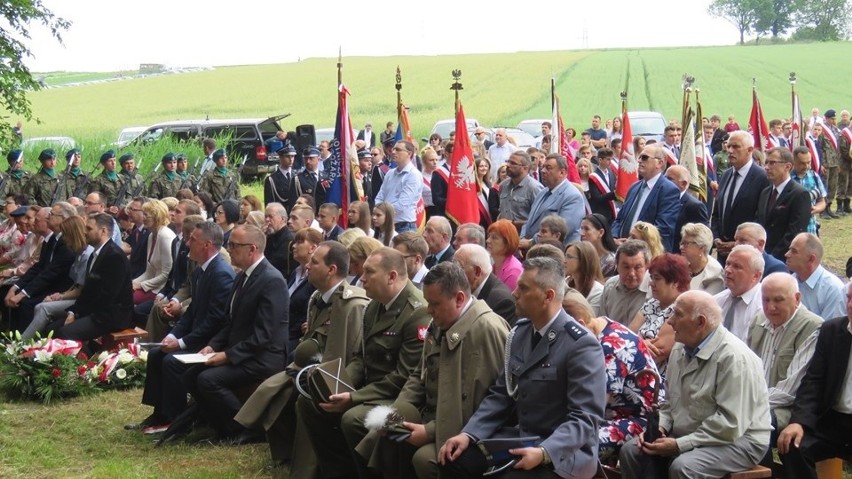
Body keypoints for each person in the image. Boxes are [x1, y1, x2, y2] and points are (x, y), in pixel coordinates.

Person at [438, 257, 606, 479]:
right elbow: (502, 395)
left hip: (563, 454)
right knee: (453, 461)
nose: (514, 293)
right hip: (520, 439)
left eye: (524, 288)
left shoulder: (581, 344)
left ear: (548, 296)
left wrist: (545, 452)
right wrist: (469, 434)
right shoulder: (521, 332)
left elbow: (585, 418)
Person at [358, 262, 510, 479]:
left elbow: (484, 402)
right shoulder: (442, 321)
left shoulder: (486, 330)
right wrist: (399, 408)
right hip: (433, 415)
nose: (428, 310)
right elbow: (419, 376)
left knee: (424, 459)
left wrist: (430, 431)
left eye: (434, 304)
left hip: (463, 429)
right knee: (386, 429)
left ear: (459, 299)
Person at [294, 247, 430, 479]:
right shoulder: (374, 305)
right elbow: (361, 357)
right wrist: (336, 384)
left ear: (392, 277)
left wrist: (353, 397)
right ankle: (337, 472)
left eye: (369, 272)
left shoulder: (417, 313)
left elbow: (403, 377)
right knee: (309, 402)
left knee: (353, 418)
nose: (361, 278)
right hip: (371, 389)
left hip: (399, 397)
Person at [236, 241, 368, 468]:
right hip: (307, 369)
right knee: (274, 391)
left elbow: (353, 353)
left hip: (333, 378)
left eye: (314, 262)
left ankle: (307, 467)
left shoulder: (352, 305)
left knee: (301, 400)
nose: (307, 266)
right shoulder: (318, 298)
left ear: (332, 269)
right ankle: (285, 455)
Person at [619, 290, 772, 479]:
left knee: (684, 467)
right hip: (694, 432)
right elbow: (669, 403)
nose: (670, 321)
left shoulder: (734, 359)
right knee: (632, 451)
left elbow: (730, 424)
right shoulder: (680, 349)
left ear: (700, 322)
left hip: (740, 440)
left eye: (678, 315)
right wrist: (660, 428)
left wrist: (679, 445)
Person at [182, 224, 289, 442]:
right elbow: (230, 322)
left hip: (263, 357)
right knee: (191, 375)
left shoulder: (272, 280)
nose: (229, 249)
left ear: (252, 249)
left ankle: (244, 428)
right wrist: (213, 345)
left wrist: (227, 355)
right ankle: (217, 423)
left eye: (234, 245)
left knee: (209, 380)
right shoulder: (242, 277)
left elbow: (264, 335)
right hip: (244, 350)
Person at [127, 220, 235, 434]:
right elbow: (193, 311)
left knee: (171, 362)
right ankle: (159, 413)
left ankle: (176, 419)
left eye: (192, 240)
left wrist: (182, 342)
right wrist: (174, 335)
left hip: (210, 343)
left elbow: (214, 320)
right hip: (197, 335)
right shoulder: (201, 270)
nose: (186, 244)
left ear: (207, 245)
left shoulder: (221, 273)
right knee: (157, 354)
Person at [563, 297, 660, 465]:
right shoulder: (601, 325)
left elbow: (595, 404)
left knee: (573, 448)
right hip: (611, 413)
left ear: (580, 324)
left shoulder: (610, 347)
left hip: (637, 420)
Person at [746, 273, 823, 468]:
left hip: (790, 408)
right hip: (756, 401)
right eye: (766, 300)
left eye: (778, 300)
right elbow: (744, 369)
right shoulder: (759, 321)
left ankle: (762, 473)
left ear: (797, 299)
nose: (771, 307)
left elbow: (790, 390)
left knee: (754, 423)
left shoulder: (812, 326)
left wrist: (748, 402)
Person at [777, 282, 852, 479]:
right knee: (792, 445)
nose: (850, 305)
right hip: (832, 421)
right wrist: (798, 422)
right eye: (849, 298)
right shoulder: (832, 330)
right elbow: (813, 382)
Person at [46, 213, 133, 341]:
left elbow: (107, 296)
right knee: (51, 329)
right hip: (94, 310)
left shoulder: (115, 256)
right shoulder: (95, 254)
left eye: (89, 229)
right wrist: (73, 312)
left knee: (65, 334)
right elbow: (88, 290)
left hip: (110, 315)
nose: (85, 232)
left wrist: (78, 314)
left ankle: (87, 360)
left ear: (103, 231)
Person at [4, 203, 75, 332]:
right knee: (11, 294)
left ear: (64, 219)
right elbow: (39, 267)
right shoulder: (54, 238)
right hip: (49, 283)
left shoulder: (67, 242)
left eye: (52, 214)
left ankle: (23, 344)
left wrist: (22, 294)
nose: (49, 217)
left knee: (25, 303)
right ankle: (11, 337)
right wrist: (16, 288)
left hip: (60, 288)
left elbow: (50, 273)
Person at [21, 215, 93, 339]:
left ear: (72, 234)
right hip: (73, 293)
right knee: (40, 305)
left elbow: (80, 289)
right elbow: (75, 284)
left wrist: (61, 296)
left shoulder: (87, 255)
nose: (64, 238)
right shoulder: (79, 253)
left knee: (43, 308)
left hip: (82, 300)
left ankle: (23, 342)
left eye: (65, 235)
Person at [711, 131, 771, 264]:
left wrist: (739, 242)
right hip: (723, 252)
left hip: (748, 254)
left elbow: (761, 217)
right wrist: (716, 238)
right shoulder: (726, 175)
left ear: (750, 150)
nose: (730, 151)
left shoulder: (762, 178)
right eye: (729, 146)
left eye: (736, 147)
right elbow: (717, 213)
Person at [611, 144, 681, 252]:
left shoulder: (669, 190)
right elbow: (620, 218)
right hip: (623, 250)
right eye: (639, 157)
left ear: (660, 163)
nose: (639, 161)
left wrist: (633, 241)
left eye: (644, 157)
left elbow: (663, 228)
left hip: (648, 253)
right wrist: (614, 237)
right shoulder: (634, 187)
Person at [629, 253, 690, 373]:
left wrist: (636, 343)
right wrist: (642, 344)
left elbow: (656, 354)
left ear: (675, 282)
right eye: (651, 278)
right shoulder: (651, 303)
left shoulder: (681, 309)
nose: (651, 283)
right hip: (633, 368)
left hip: (658, 378)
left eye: (657, 278)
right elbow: (628, 335)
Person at [757, 147, 811, 261]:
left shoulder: (800, 194)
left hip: (783, 260)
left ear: (787, 166)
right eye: (766, 163)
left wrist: (771, 258)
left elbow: (794, 232)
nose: (766, 167)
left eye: (772, 163)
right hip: (761, 257)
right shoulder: (765, 192)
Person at [520, 153, 585, 247]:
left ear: (562, 173)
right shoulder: (542, 192)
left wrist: (531, 242)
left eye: (548, 168)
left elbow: (562, 230)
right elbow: (529, 220)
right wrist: (522, 239)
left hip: (557, 253)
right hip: (534, 251)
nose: (543, 171)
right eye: (543, 167)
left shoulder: (572, 196)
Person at [785, 232, 846, 320]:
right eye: (789, 249)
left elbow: (829, 330)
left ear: (811, 259)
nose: (787, 254)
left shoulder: (833, 289)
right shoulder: (790, 282)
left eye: (794, 251)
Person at [454, 243, 517, 325]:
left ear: (477, 272)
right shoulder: (465, 288)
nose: (453, 273)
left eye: (459, 267)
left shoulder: (502, 302)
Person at [713, 244, 765, 342]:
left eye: (737, 266)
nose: (727, 270)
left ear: (755, 276)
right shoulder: (716, 301)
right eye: (727, 264)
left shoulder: (763, 306)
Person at [131, 199, 176, 306]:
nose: (143, 218)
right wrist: (133, 283)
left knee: (126, 298)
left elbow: (166, 274)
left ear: (157, 217)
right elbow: (149, 270)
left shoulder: (165, 236)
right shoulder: (152, 235)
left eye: (146, 215)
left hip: (160, 289)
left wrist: (141, 285)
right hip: (151, 285)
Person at [600, 239, 651, 325]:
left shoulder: (654, 291)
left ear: (647, 265)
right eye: (626, 267)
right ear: (617, 265)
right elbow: (602, 323)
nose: (631, 274)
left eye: (637, 267)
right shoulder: (610, 286)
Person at [375, 141, 422, 233]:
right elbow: (380, 196)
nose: (393, 152)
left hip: (403, 225)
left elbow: (402, 204)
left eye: (398, 150)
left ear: (409, 154)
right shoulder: (390, 173)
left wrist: (381, 212)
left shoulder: (413, 175)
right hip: (386, 223)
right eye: (393, 149)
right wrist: (379, 211)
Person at [287, 227, 321, 355]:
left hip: (295, 337)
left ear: (312, 248)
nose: (294, 246)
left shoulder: (316, 279)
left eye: (299, 242)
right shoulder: (295, 272)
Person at [497, 150, 545, 233]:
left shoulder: (534, 188)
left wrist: (514, 223)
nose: (508, 165)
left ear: (525, 168)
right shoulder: (503, 185)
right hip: (504, 236)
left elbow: (540, 220)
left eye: (513, 163)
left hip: (523, 238)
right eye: (508, 162)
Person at [664, 165, 709, 249]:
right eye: (664, 178)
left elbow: (703, 239)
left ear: (683, 184)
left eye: (669, 179)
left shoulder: (695, 206)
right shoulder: (661, 200)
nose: (664, 181)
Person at [679, 223, 725, 295]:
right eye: (681, 243)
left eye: (686, 244)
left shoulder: (714, 274)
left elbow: (705, 304)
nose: (681, 247)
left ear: (701, 247)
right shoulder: (681, 264)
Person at [790, 146, 827, 235]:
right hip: (791, 230)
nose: (806, 166)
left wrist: (816, 209)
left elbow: (822, 201)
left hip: (811, 228)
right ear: (793, 161)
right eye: (802, 163)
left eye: (808, 162)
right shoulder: (786, 178)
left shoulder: (814, 176)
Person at [564, 241, 605, 315]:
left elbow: (589, 319)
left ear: (583, 261)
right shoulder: (566, 282)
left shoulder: (597, 292)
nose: (564, 261)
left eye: (569, 257)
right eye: (565, 256)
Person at [486, 219, 522, 291]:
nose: (488, 241)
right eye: (489, 236)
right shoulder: (493, 265)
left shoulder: (513, 272)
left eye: (494, 238)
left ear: (507, 243)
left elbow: (507, 301)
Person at [580, 213, 618, 278]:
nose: (581, 233)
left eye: (586, 229)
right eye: (581, 229)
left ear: (601, 232)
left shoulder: (610, 261)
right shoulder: (581, 255)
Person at [588, 147, 618, 223]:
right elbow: (597, 198)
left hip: (611, 212)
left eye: (611, 159)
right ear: (600, 160)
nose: (610, 162)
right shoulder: (593, 177)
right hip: (600, 214)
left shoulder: (611, 173)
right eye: (608, 159)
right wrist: (614, 194)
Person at [263, 202, 293, 278]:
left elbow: (275, 263)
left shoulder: (288, 239)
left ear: (283, 219)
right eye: (266, 216)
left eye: (270, 216)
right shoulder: (270, 235)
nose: (267, 220)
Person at [264, 144, 297, 209]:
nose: (291, 159)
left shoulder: (297, 176)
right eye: (287, 156)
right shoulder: (272, 180)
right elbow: (269, 203)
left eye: (292, 156)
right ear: (280, 157)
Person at [475, 156, 496, 225]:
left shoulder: (488, 183)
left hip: (489, 214)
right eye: (481, 166)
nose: (484, 168)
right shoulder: (472, 185)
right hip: (478, 216)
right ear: (475, 168)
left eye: (486, 166)